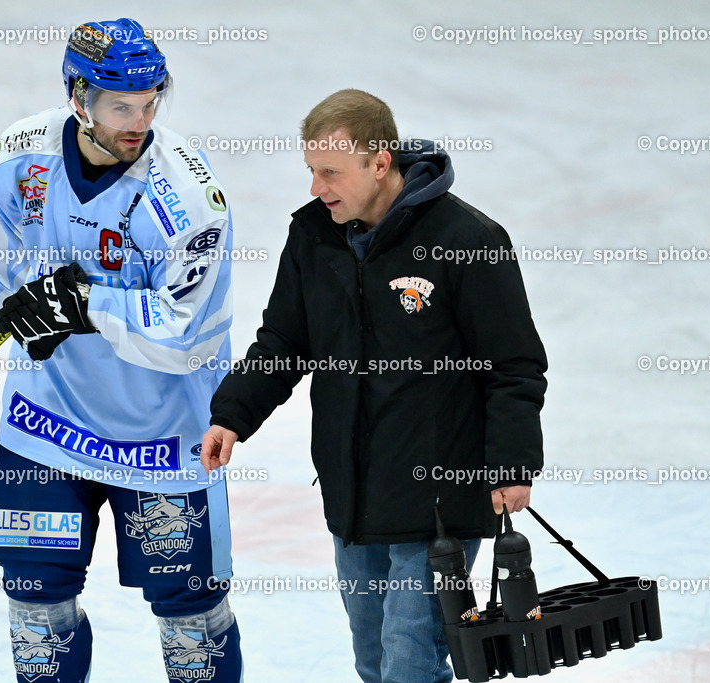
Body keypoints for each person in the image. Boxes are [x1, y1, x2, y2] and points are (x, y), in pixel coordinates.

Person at [0, 19, 243, 683]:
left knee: (192, 620)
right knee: (35, 607)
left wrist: (86, 303)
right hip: (48, 419)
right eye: (121, 105)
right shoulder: (21, 160)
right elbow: (13, 263)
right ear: (78, 98)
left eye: (152, 101)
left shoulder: (188, 199)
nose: (140, 120)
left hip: (163, 439)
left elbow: (191, 338)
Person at [201, 89, 547, 683]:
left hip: (442, 499)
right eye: (311, 171)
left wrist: (513, 462)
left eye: (330, 172)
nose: (316, 188)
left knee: (411, 660)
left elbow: (513, 365)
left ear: (379, 163)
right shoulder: (315, 236)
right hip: (355, 497)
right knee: (375, 661)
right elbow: (285, 341)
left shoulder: (468, 240)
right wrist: (233, 413)